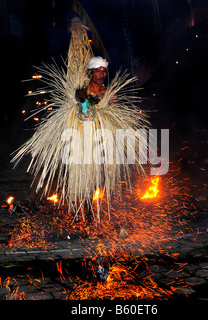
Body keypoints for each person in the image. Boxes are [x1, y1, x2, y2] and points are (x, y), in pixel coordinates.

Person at [11, 18, 150, 223]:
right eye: (99, 71)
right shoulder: (81, 91)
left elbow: (110, 112)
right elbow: (82, 110)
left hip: (100, 137)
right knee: (82, 177)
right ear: (90, 73)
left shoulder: (108, 93)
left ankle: (94, 210)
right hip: (81, 136)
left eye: (104, 71)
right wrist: (84, 105)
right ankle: (84, 213)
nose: (103, 74)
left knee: (99, 176)